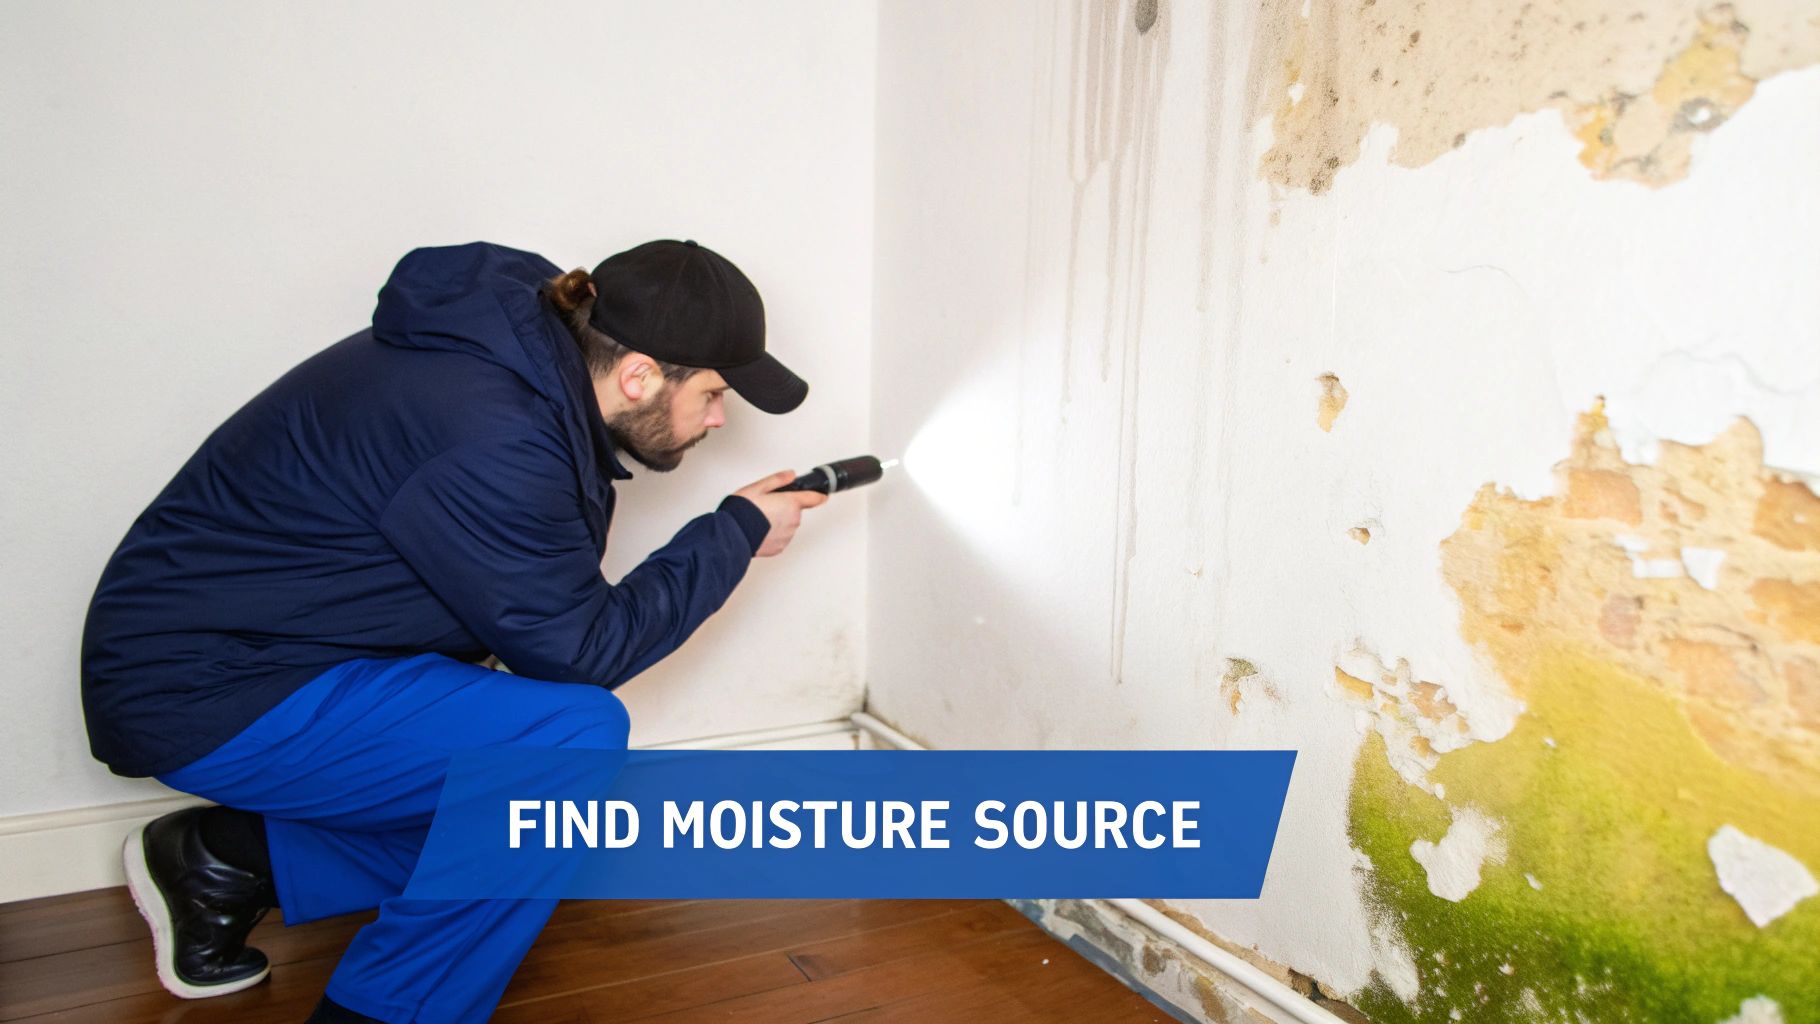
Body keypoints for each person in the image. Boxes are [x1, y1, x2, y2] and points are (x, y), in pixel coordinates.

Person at [79, 239, 827, 1023]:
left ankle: (228, 864)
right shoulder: (495, 430)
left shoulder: (511, 370)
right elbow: (580, 653)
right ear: (639, 374)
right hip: (203, 685)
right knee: (565, 747)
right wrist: (732, 534)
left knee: (562, 821)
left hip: (269, 656)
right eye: (712, 393)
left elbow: (535, 614)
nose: (717, 417)